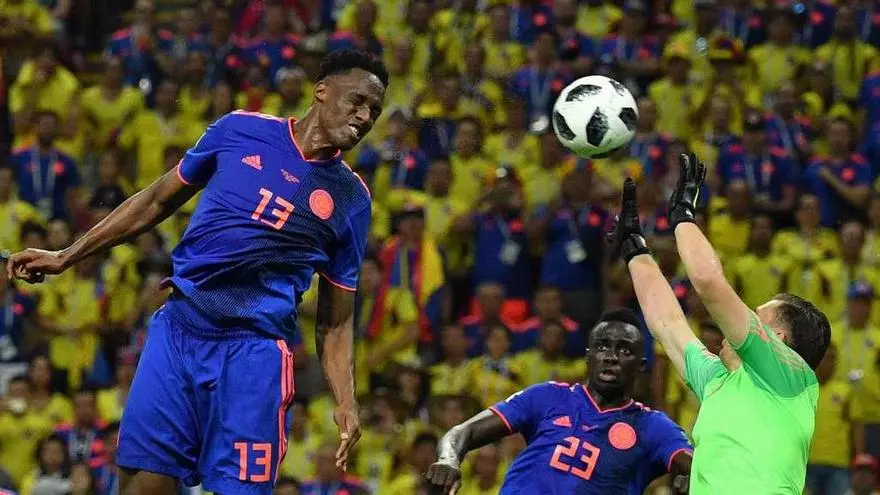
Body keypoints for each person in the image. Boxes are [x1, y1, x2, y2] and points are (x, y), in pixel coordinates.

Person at [7, 49, 388, 494]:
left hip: (253, 354)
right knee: (142, 485)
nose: (365, 117)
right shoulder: (239, 130)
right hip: (179, 330)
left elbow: (336, 320)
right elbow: (155, 201)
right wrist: (66, 255)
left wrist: (346, 400)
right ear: (321, 90)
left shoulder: (351, 198)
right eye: (358, 101)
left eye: (374, 111)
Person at [609, 154, 831, 494]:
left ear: (779, 339)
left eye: (757, 316)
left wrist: (683, 216)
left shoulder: (790, 375)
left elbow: (708, 282)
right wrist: (635, 249)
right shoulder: (718, 381)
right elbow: (668, 325)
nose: (742, 320)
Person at [425, 308, 693, 493]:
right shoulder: (547, 396)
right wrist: (449, 459)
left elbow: (695, 465)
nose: (611, 356)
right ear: (588, 357)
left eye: (624, 350)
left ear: (641, 366)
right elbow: (463, 432)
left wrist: (695, 480)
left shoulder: (653, 426)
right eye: (602, 347)